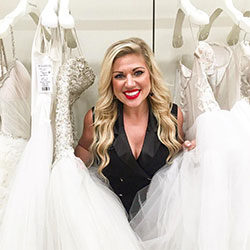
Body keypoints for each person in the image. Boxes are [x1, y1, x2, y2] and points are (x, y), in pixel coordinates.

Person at [75, 37, 195, 214]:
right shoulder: (96, 119)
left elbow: (177, 164)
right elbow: (82, 155)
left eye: (138, 73)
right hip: (112, 220)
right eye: (119, 76)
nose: (129, 83)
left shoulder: (172, 117)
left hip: (160, 220)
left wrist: (192, 151)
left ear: (151, 75)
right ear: (111, 81)